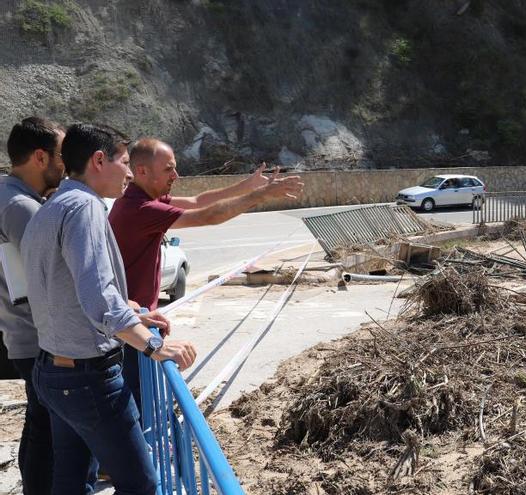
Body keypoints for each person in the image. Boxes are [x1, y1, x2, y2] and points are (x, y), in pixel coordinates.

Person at [21, 123, 197, 495]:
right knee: (140, 484)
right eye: (124, 162)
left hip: (52, 371)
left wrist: (132, 310)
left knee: (70, 482)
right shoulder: (85, 207)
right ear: (99, 161)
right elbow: (99, 299)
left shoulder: (53, 206)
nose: (130, 173)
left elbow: (65, 288)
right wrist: (153, 346)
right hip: (87, 379)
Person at [109, 138, 304, 407]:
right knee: (139, 406)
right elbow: (206, 215)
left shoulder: (140, 198)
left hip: (136, 320)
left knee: (141, 402)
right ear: (141, 171)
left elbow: (196, 200)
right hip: (131, 328)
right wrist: (259, 196)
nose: (175, 176)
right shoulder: (140, 208)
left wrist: (246, 186)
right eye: (168, 169)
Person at [0, 117, 66, 495]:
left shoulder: (12, 196)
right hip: (38, 338)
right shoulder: (20, 206)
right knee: (50, 430)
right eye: (61, 155)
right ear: (41, 157)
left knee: (41, 424)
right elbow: (55, 272)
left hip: (25, 336)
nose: (66, 164)